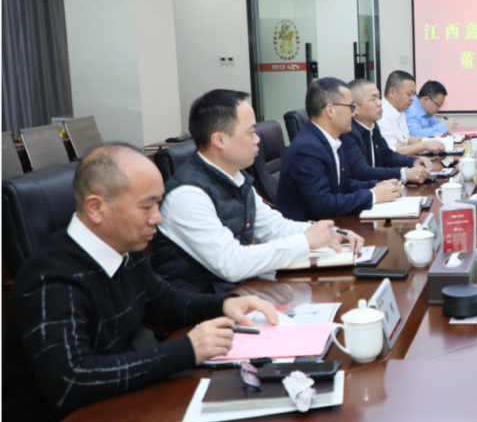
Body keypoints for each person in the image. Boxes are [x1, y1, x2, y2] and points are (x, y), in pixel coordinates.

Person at [2, 144, 279, 422]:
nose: (157, 218)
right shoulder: (52, 278)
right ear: (96, 208)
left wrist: (224, 304)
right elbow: (71, 381)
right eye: (146, 207)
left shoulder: (123, 249)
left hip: (113, 413)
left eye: (158, 204)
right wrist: (187, 349)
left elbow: (165, 305)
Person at [151, 89, 364, 294]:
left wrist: (329, 233)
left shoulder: (237, 178)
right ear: (219, 140)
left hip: (239, 295)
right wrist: (305, 241)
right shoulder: (187, 196)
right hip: (203, 309)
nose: (257, 139)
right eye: (251, 132)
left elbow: (275, 228)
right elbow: (231, 263)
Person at [276, 77, 403, 221]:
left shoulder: (333, 139)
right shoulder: (307, 148)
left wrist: (378, 185)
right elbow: (322, 205)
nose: (354, 114)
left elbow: (344, 184)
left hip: (331, 223)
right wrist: (373, 195)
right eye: (351, 107)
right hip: (307, 229)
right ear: (330, 110)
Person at [342, 78, 433, 184]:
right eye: (373, 99)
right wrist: (403, 173)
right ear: (355, 107)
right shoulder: (347, 132)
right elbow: (362, 171)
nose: (379, 103)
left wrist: (414, 161)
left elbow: (388, 156)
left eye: (379, 97)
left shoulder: (373, 126)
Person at [378, 70, 447, 157]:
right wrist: (424, 145)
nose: (412, 98)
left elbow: (407, 140)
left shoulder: (400, 110)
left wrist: (432, 140)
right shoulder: (381, 114)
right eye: (409, 94)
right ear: (392, 93)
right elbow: (391, 151)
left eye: (413, 94)